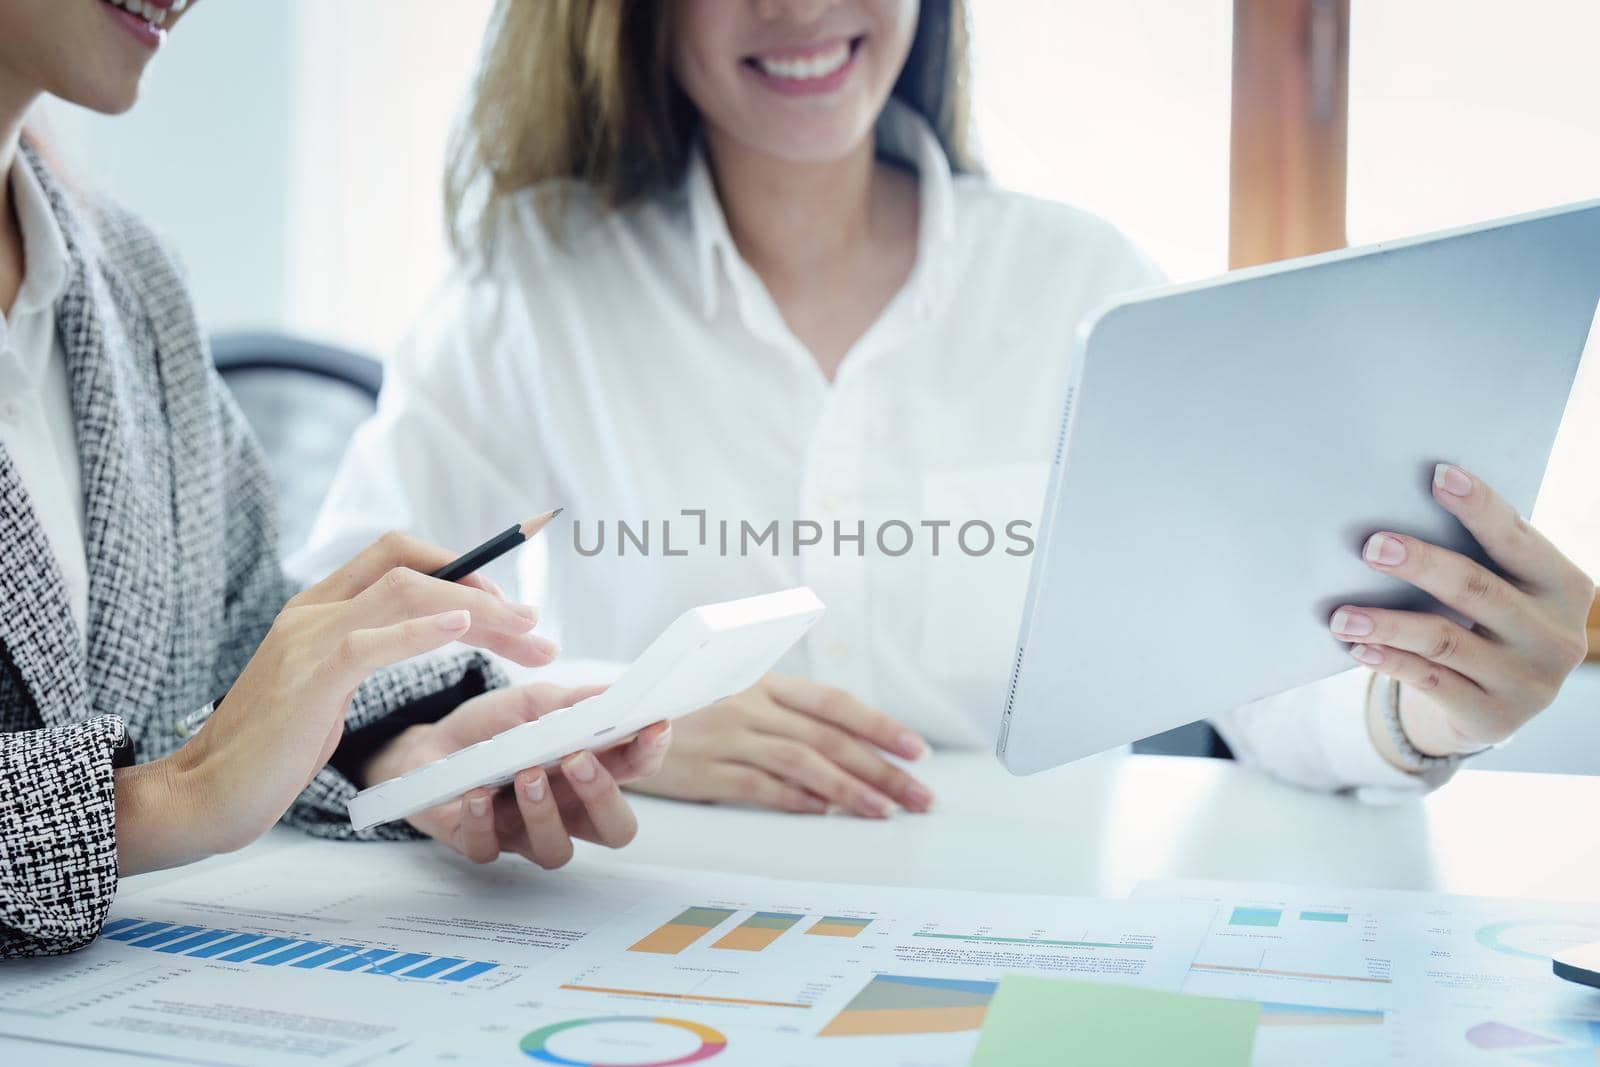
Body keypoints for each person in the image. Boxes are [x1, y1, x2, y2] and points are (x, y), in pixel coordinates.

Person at [295, 0, 1592, 814]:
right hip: (639, 918)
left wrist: (1431, 705)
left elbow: (1264, 685)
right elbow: (342, 643)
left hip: (999, 932)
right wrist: (617, 709)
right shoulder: (533, 285)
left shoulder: (1078, 283)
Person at [0, 0, 669, 961]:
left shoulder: (134, 287)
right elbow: (193, 762)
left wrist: (398, 747)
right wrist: (159, 803)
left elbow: (222, 634)